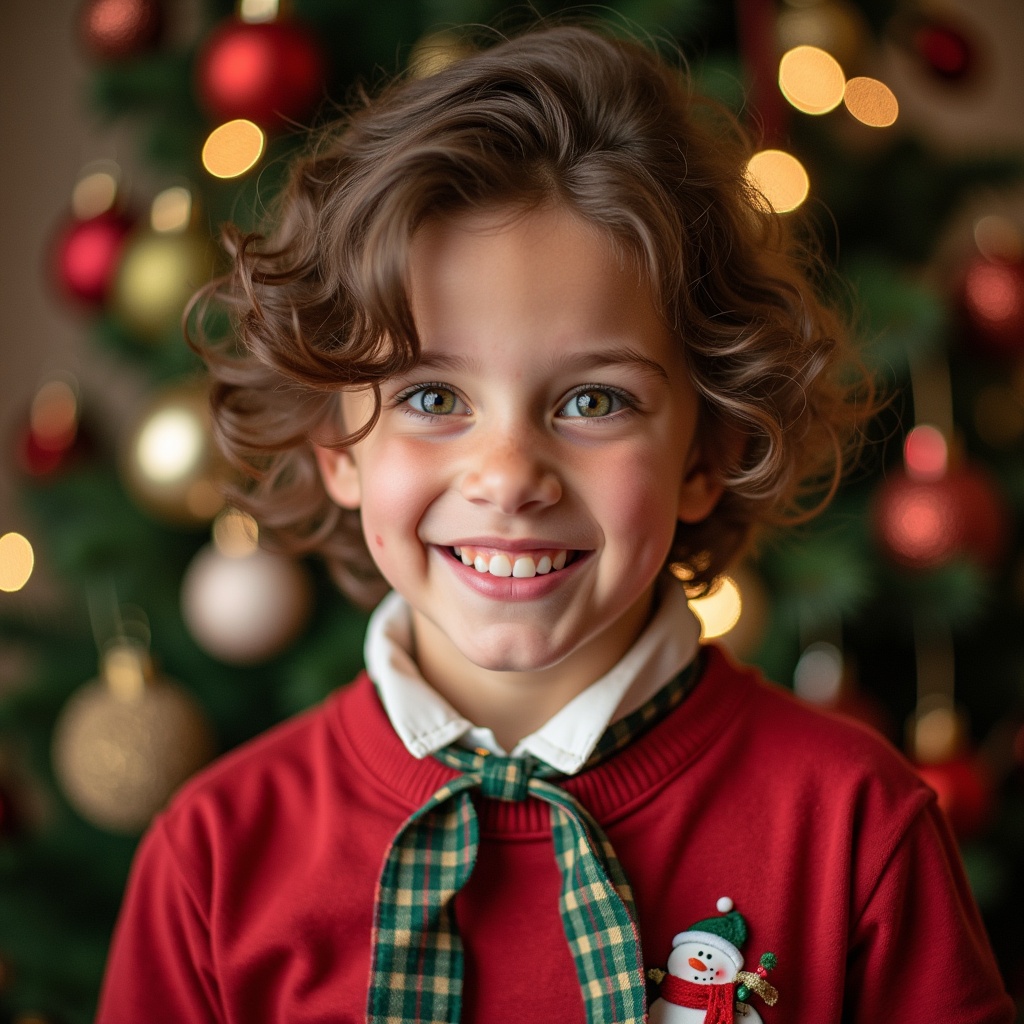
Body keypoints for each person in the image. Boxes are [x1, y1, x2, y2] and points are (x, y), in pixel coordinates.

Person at [96, 24, 1014, 1024]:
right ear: (336, 448)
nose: (508, 476)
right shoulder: (214, 856)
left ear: (705, 452)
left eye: (592, 402)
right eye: (432, 397)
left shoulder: (852, 826)